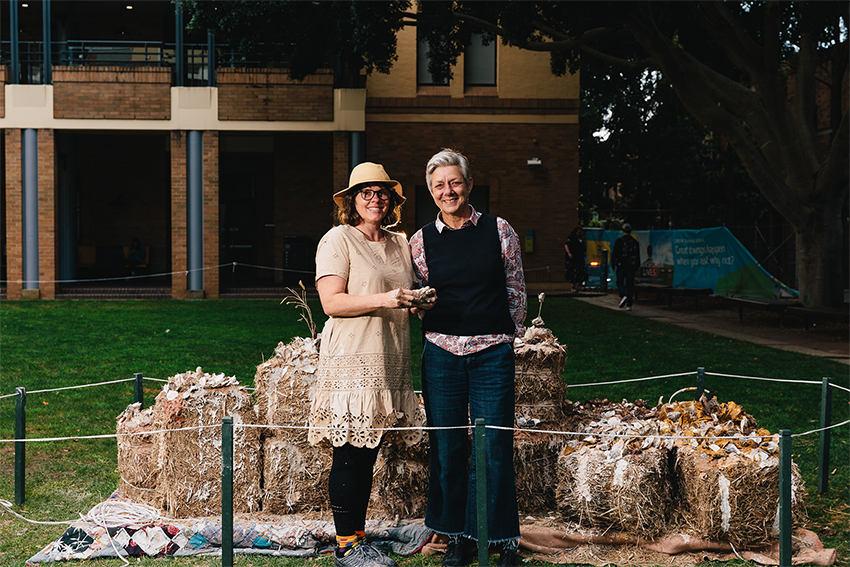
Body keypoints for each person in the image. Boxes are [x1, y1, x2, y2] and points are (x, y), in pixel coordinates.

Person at [309, 162, 431, 567]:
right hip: (352, 361)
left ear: (392, 200)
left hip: (390, 360)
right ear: (352, 201)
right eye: (366, 192)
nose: (375, 198)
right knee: (348, 455)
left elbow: (403, 294)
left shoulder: (400, 243)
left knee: (369, 453)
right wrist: (389, 299)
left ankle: (359, 538)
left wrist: (418, 302)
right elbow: (331, 302)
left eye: (382, 192)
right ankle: (347, 546)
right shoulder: (338, 239)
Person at [409, 149, 527, 567]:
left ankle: (501, 539)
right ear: (431, 191)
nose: (448, 191)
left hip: (491, 352)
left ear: (469, 185)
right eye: (439, 185)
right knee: (448, 444)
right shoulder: (420, 240)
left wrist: (507, 334)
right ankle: (456, 535)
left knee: (494, 443)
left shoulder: (499, 229)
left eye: (454, 182)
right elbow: (419, 295)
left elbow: (515, 288)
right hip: (442, 353)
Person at [611, 223, 640, 310]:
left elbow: (615, 254)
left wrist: (613, 264)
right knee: (630, 285)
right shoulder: (635, 242)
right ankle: (629, 305)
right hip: (631, 266)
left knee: (619, 282)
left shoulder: (619, 241)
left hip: (621, 265)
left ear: (623, 231)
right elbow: (637, 255)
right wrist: (637, 266)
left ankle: (623, 295)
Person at [564, 226, 587, 292]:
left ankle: (580, 285)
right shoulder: (571, 238)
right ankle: (573, 287)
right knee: (572, 271)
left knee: (581, 271)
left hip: (579, 257)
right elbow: (566, 245)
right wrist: (569, 253)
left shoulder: (580, 239)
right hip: (573, 258)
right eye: (579, 232)